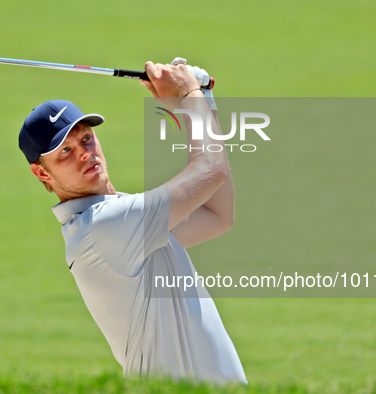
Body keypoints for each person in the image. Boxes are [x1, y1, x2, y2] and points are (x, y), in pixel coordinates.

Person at [18, 58, 247, 384]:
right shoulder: (103, 227)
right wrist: (189, 96)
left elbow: (216, 215)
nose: (84, 152)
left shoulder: (120, 219)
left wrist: (201, 100)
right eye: (64, 152)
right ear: (42, 173)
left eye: (85, 139)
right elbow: (211, 171)